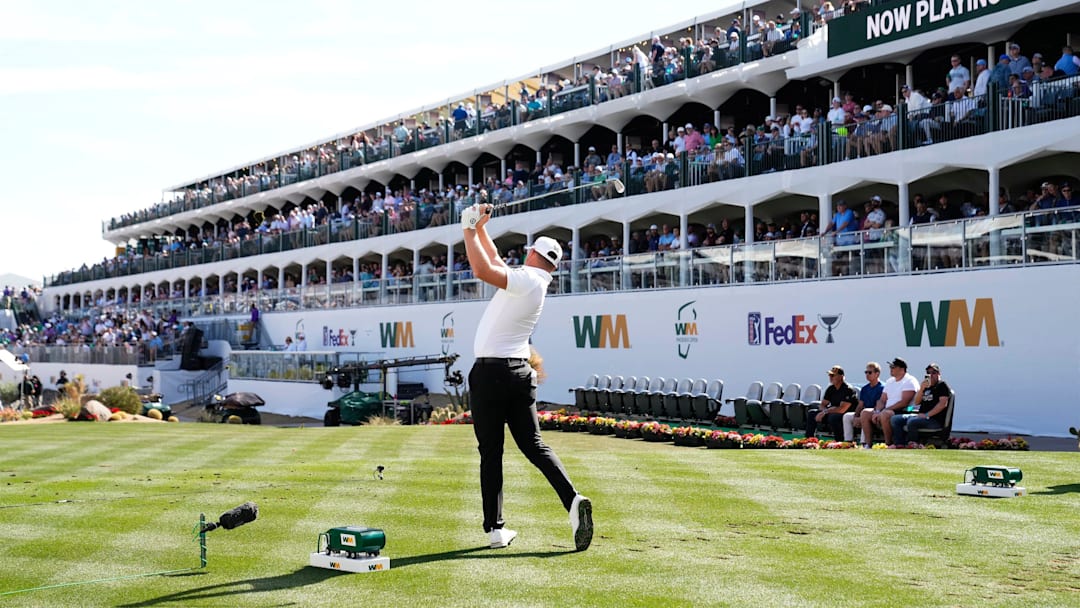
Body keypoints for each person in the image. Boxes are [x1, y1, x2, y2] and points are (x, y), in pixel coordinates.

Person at [461, 202, 592, 552]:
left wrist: (467, 229)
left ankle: (495, 530)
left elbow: (481, 269)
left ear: (534, 254)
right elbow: (496, 262)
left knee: (491, 452)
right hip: (519, 373)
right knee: (534, 445)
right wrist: (482, 228)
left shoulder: (528, 280)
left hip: (492, 374)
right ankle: (573, 500)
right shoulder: (534, 281)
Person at [859, 357, 919, 446]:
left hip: (904, 411)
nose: (890, 369)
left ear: (902, 369)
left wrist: (883, 411)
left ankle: (888, 444)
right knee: (865, 412)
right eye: (890, 367)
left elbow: (904, 403)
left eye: (893, 367)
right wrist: (877, 411)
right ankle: (868, 444)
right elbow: (882, 400)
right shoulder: (890, 381)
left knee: (885, 414)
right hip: (887, 410)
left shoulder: (910, 381)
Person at [891, 363, 951, 445]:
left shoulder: (942, 385)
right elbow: (917, 402)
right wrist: (921, 389)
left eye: (934, 372)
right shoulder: (926, 386)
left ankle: (912, 445)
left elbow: (942, 404)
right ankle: (899, 444)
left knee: (912, 422)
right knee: (895, 419)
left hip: (934, 420)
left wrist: (927, 415)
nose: (931, 375)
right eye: (928, 373)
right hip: (921, 416)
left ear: (939, 374)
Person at [805, 365, 858, 440]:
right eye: (829, 375)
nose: (830, 377)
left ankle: (839, 441)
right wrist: (823, 411)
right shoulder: (831, 388)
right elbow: (823, 404)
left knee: (833, 417)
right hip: (831, 412)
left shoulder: (848, 389)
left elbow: (842, 409)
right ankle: (809, 440)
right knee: (812, 413)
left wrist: (826, 411)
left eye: (833, 375)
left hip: (846, 415)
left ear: (841, 377)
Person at [843, 361, 884, 442]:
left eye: (870, 372)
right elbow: (860, 405)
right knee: (847, 416)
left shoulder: (882, 387)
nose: (867, 375)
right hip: (864, 412)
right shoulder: (865, 388)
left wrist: (861, 417)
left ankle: (864, 443)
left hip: (876, 413)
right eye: (866, 372)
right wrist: (855, 417)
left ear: (877, 374)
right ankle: (848, 442)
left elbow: (879, 404)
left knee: (864, 415)